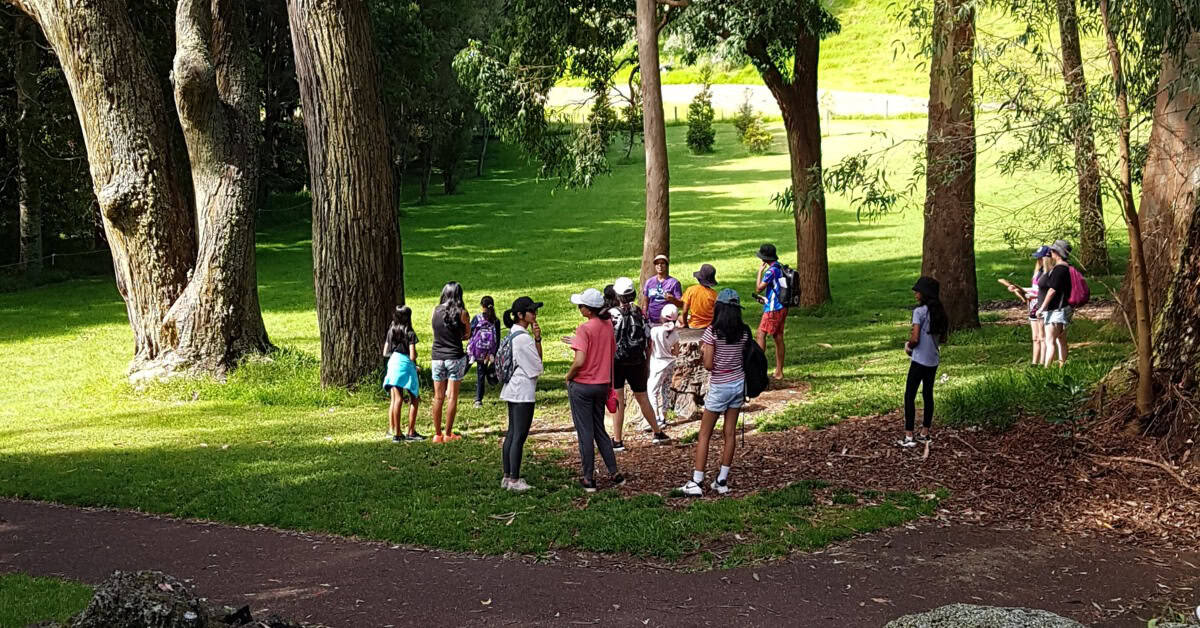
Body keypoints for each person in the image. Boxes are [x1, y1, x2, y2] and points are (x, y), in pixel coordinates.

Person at [680, 289, 750, 497]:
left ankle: (697, 480)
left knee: (705, 434)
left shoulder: (712, 333)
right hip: (738, 384)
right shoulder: (744, 332)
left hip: (719, 386)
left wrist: (703, 353)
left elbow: (709, 365)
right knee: (730, 433)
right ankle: (722, 480)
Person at [565, 288, 625, 492]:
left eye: (581, 305)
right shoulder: (608, 325)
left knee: (585, 432)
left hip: (582, 386)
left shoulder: (584, 328)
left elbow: (580, 360)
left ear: (588, 310)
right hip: (602, 385)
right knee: (600, 429)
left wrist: (569, 375)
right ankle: (614, 472)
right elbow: (606, 349)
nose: (579, 308)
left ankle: (588, 477)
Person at [611, 276, 671, 450]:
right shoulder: (639, 312)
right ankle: (657, 432)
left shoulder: (612, 314)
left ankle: (618, 440)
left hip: (617, 361)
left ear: (617, 295)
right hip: (637, 361)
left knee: (618, 399)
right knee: (642, 397)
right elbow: (647, 338)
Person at [499, 296, 544, 492]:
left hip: (512, 389)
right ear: (520, 315)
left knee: (512, 434)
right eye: (531, 311)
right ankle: (515, 480)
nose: (535, 314)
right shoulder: (524, 339)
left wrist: (537, 338)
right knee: (519, 436)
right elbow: (537, 367)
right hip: (523, 391)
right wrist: (536, 341)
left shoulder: (512, 334)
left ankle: (507, 476)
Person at [899, 276, 949, 448]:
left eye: (918, 291)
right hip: (933, 360)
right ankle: (925, 432)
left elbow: (915, 338)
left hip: (919, 360)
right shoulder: (939, 312)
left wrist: (908, 346)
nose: (915, 294)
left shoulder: (919, 312)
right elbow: (943, 338)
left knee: (909, 395)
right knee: (928, 394)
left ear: (925, 294)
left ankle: (909, 435)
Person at [430, 281, 471, 443]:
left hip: (437, 357)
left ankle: (437, 434)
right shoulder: (462, 313)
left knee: (438, 397)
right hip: (454, 357)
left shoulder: (435, 311)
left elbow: (436, 331)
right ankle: (448, 433)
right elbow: (467, 334)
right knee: (452, 397)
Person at [1001, 246, 1051, 366]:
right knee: (1035, 337)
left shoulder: (1048, 274)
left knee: (1042, 336)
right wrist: (1019, 289)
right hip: (1032, 305)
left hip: (1041, 305)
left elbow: (1043, 291)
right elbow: (1034, 289)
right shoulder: (1038, 272)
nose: (1038, 261)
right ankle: (1034, 362)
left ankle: (1043, 362)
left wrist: (1029, 294)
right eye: (1037, 258)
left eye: (1040, 258)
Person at [382, 305, 423, 442]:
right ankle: (411, 432)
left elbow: (385, 352)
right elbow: (412, 355)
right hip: (405, 364)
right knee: (414, 397)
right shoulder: (410, 332)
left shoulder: (391, 330)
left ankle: (395, 431)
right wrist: (414, 363)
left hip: (393, 362)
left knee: (396, 399)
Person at [1036, 240, 1074, 368]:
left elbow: (1052, 290)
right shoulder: (1067, 267)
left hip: (1057, 310)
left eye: (1052, 251)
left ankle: (1047, 369)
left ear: (1057, 253)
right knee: (1061, 340)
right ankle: (1061, 366)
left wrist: (1042, 307)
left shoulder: (1059, 269)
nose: (1050, 252)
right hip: (1064, 308)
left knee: (1050, 341)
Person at [754, 243, 787, 380]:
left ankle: (758, 369)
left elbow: (758, 288)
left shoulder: (770, 271)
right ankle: (779, 371)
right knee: (778, 337)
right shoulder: (780, 267)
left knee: (760, 334)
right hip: (782, 306)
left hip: (773, 309)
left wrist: (760, 272)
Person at [647, 303, 681, 430]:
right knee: (665, 389)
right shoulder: (675, 335)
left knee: (652, 391)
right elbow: (676, 352)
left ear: (661, 317)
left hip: (658, 364)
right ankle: (664, 416)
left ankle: (655, 417)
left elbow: (651, 348)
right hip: (670, 363)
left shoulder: (654, 331)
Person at [468, 296, 502, 408]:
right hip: (488, 352)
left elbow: (470, 333)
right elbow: (497, 339)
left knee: (472, 371)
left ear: (482, 306)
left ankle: (450, 390)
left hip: (476, 351)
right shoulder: (496, 321)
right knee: (482, 374)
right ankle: (478, 400)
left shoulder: (477, 318)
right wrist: (493, 353)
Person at [643, 254, 684, 325]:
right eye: (657, 263)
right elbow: (646, 301)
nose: (660, 265)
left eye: (662, 263)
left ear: (666, 265)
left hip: (667, 322)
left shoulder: (674, 283)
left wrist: (673, 299)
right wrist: (644, 314)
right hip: (651, 320)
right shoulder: (649, 282)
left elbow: (681, 304)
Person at [680, 263, 718, 329]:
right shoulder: (714, 294)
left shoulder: (691, 290)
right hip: (709, 325)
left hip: (694, 325)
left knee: (679, 317)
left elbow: (685, 311)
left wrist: (685, 324)